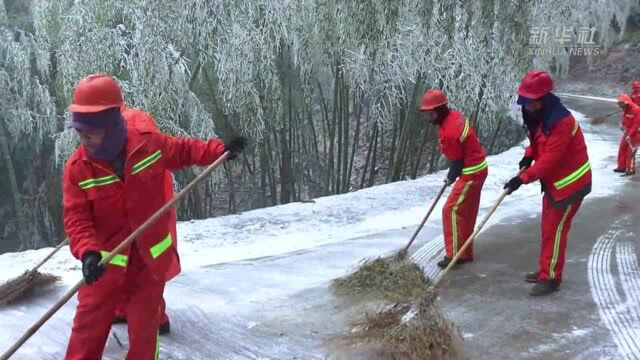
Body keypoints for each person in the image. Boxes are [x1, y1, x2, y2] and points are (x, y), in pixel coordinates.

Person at [62, 73, 247, 359]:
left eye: (91, 130)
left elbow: (184, 151)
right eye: (80, 131)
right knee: (87, 328)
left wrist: (220, 150)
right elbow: (77, 218)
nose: (84, 137)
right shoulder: (78, 169)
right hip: (106, 261)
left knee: (145, 331)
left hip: (149, 262)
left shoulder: (147, 145)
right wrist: (87, 253)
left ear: (111, 124)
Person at [504, 70, 591, 296]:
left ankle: (551, 278)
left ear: (542, 98)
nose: (527, 106)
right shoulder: (539, 115)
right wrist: (528, 155)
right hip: (554, 184)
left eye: (530, 102)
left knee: (555, 230)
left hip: (570, 185)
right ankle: (546, 269)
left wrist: (521, 179)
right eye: (524, 101)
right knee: (548, 229)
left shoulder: (561, 121)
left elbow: (550, 159)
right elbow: (538, 140)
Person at [112, 108, 176, 335]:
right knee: (121, 259)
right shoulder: (113, 128)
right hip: (132, 202)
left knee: (149, 264)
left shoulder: (139, 133)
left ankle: (156, 317)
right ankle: (122, 308)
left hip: (150, 205)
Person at [418, 89, 488, 269]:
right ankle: (464, 253)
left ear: (439, 110)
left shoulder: (449, 131)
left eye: (430, 114)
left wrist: (450, 177)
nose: (428, 118)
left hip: (471, 172)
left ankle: (455, 255)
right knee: (466, 212)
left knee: (450, 210)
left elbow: (457, 162)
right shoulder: (454, 117)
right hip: (477, 168)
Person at [615, 94, 640, 176]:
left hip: (636, 133)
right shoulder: (626, 109)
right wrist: (622, 124)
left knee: (630, 152)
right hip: (627, 132)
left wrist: (630, 134)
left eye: (621, 104)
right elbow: (625, 118)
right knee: (622, 148)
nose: (620, 106)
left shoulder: (636, 110)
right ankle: (621, 167)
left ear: (626, 103)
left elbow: (636, 124)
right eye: (619, 104)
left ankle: (630, 169)